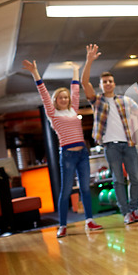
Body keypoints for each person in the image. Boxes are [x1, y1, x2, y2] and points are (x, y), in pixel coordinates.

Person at [22, 60, 103, 238]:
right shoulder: (53, 114)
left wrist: (75, 71)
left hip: (82, 153)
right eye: (61, 97)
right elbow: (43, 93)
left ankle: (90, 220)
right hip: (67, 155)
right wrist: (35, 72)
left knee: (85, 189)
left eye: (66, 97)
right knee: (65, 191)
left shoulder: (74, 110)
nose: (65, 99)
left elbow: (75, 90)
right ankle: (63, 225)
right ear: (56, 101)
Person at [81, 44, 138, 225]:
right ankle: (126, 213)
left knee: (136, 178)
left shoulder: (124, 100)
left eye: (110, 81)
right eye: (105, 82)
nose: (108, 83)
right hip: (111, 146)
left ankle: (133, 210)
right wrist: (89, 61)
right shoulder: (97, 101)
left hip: (129, 144)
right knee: (118, 180)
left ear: (114, 83)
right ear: (101, 85)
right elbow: (84, 83)